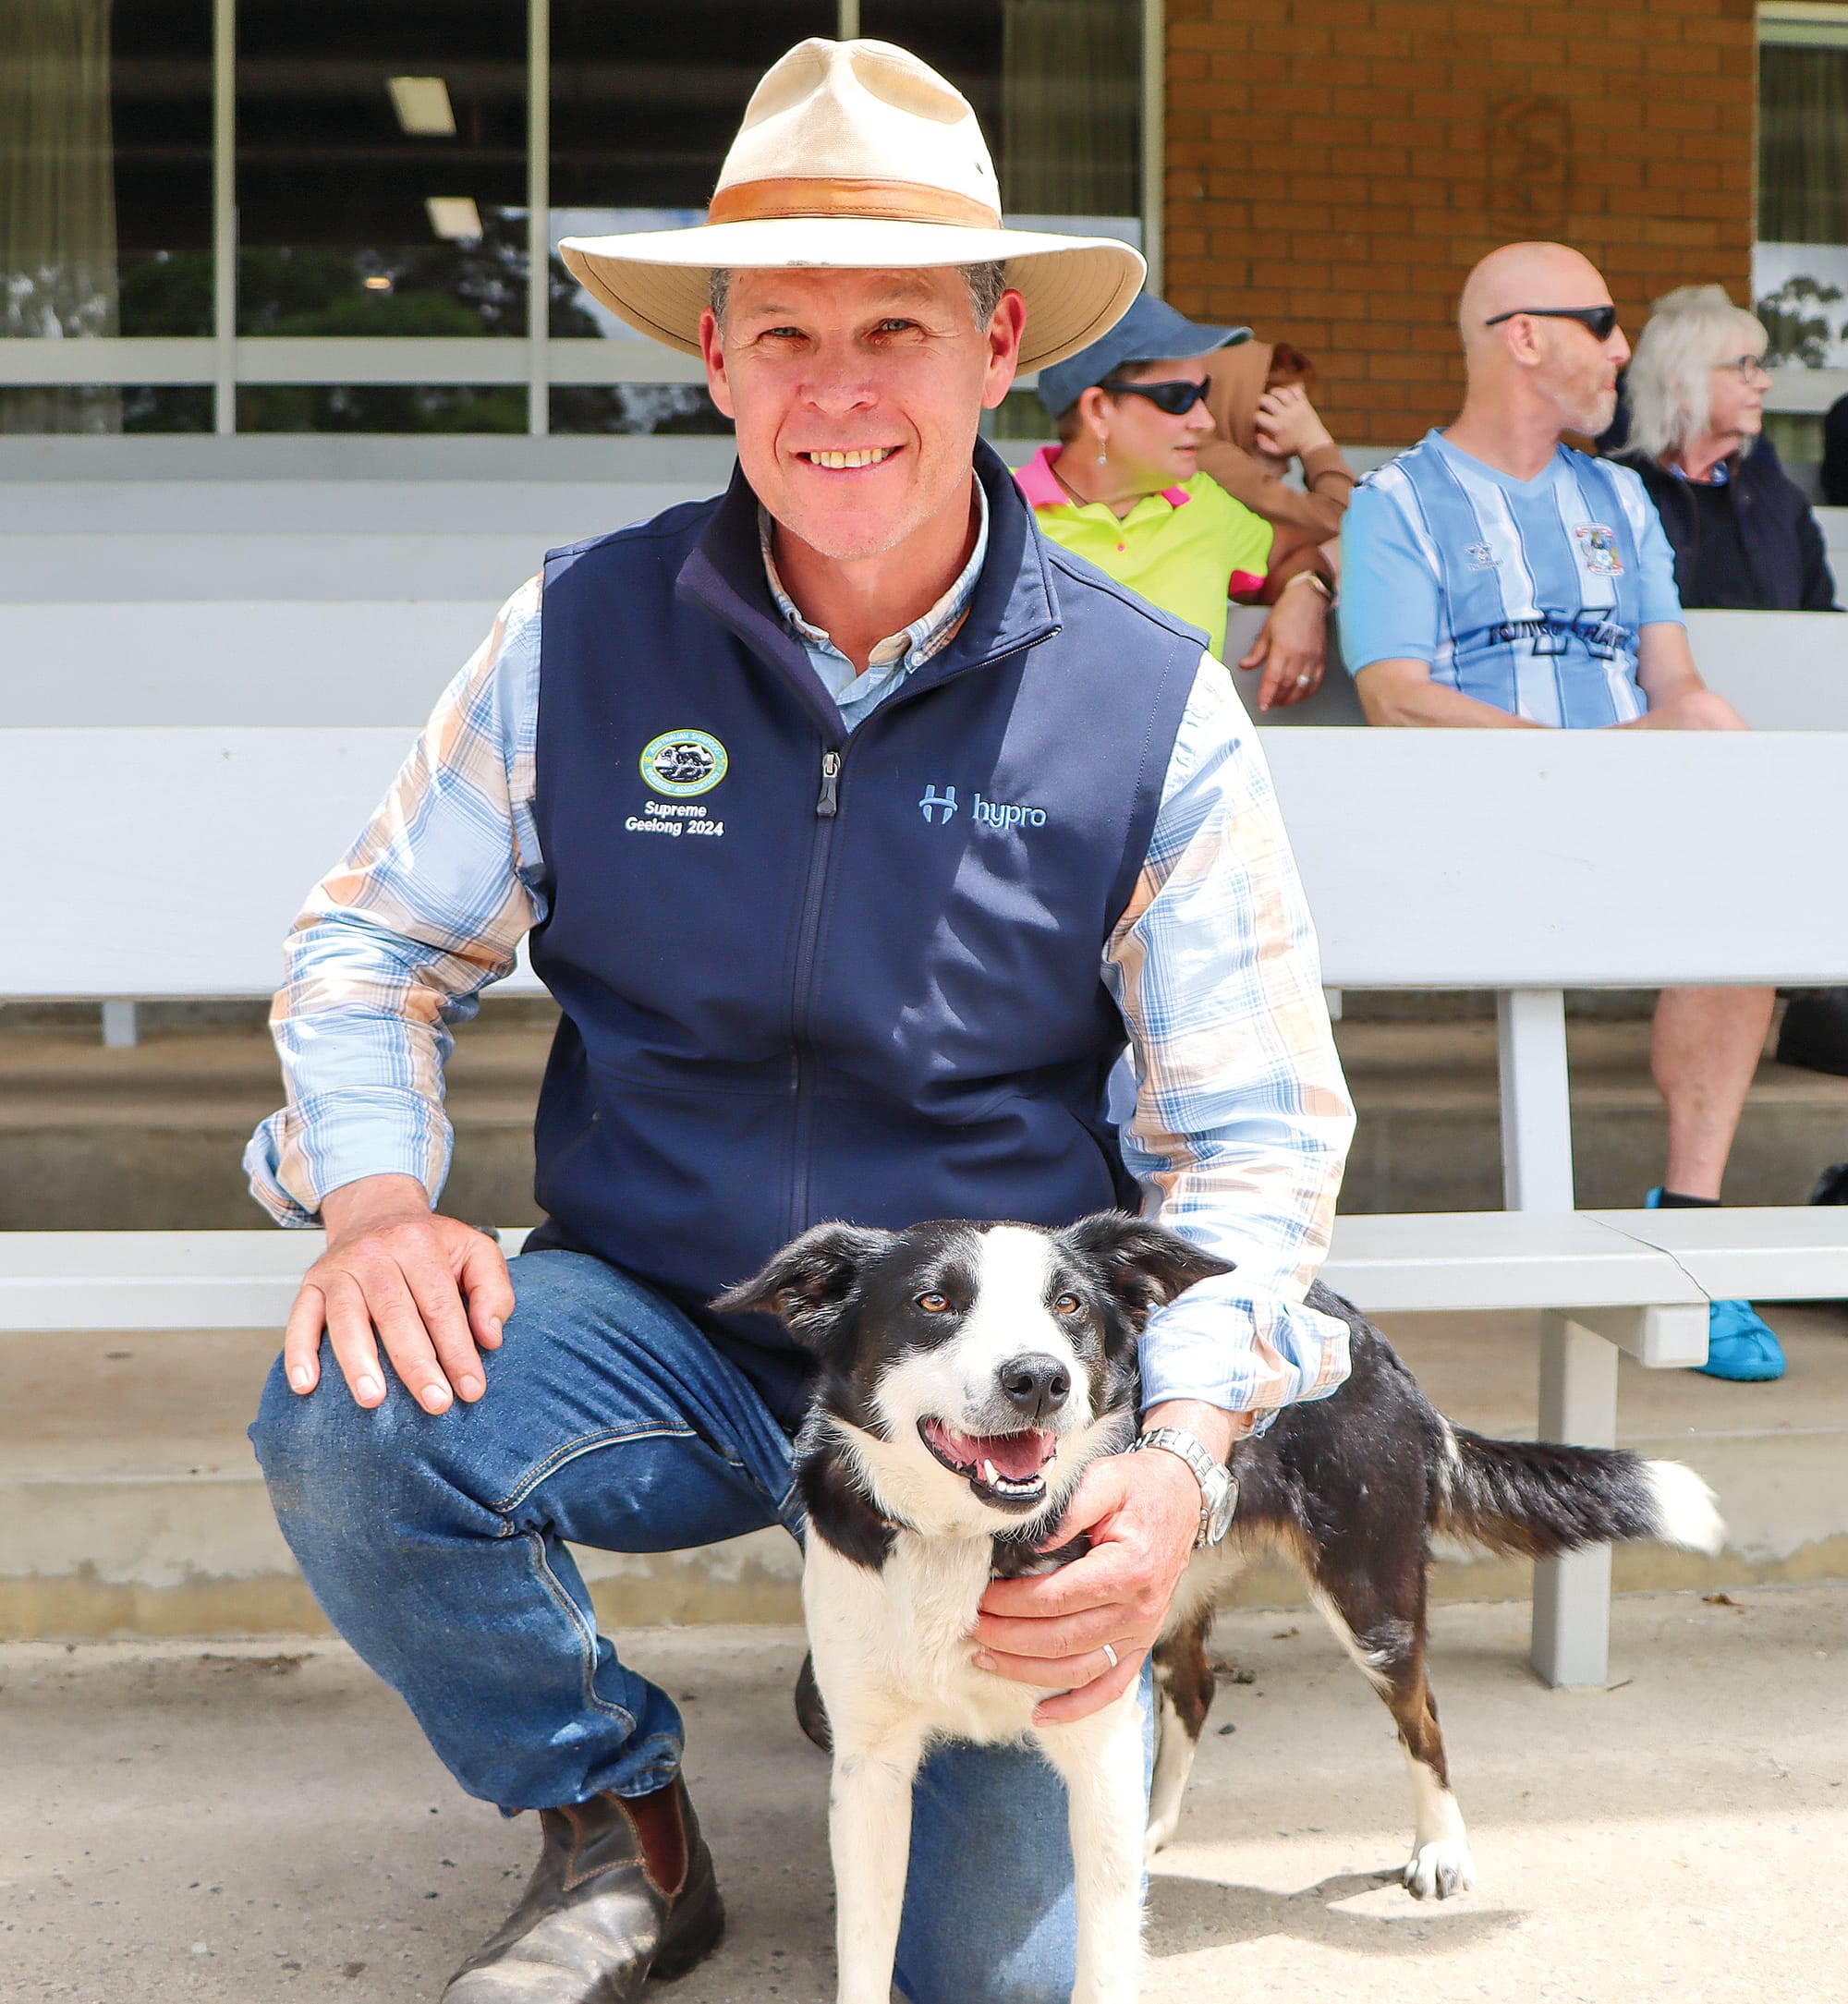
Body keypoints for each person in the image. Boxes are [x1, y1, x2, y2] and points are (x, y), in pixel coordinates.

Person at [244, 39, 1356, 2004]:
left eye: (897, 330)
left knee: (983, 1984)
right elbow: (366, 950)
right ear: (717, 363)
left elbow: (1251, 1139)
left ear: (999, 346)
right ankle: (616, 1818)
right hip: (670, 1313)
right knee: (354, 1407)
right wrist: (375, 1205)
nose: (837, 390)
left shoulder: (1148, 701)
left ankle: (902, 1674)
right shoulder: (578, 631)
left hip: (997, 1385)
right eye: (784, 336)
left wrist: (1168, 1461)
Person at [1338, 239, 1784, 1384]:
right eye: (1600, 322)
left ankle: (1688, 1225)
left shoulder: (1618, 495)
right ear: (1520, 336)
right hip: (1467, 834)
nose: (1622, 348)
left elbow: (1672, 678)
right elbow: (1396, 700)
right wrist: (1593, 759)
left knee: (1740, 885)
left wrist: (1691, 726)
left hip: (1622, 821)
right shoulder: (1399, 499)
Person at [1020, 294, 1337, 710]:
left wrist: (1306, 593)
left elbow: (1294, 552)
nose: (1205, 421)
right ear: (1098, 410)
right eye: (1177, 398)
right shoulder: (997, 514)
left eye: (1203, 393)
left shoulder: (1201, 504)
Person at [1615, 284, 1837, 611]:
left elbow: (1819, 623)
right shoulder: (1613, 495)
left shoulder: (1781, 500)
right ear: (1682, 382)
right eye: (1745, 367)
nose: (1765, 382)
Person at [1197, 336, 1357, 543]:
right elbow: (1345, 521)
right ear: (1241, 414)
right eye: (1276, 431)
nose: (1287, 467)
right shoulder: (1203, 459)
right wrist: (1313, 442)